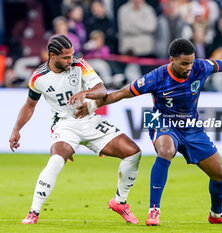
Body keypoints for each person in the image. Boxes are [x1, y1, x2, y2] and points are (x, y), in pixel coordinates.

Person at [74, 38, 222, 225]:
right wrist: (91, 106)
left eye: (191, 62)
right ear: (171, 60)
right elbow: (120, 93)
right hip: (160, 120)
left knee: (220, 174)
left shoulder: (201, 67)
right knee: (165, 150)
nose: (189, 67)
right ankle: (154, 210)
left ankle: (216, 215)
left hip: (191, 126)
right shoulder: (156, 77)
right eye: (184, 63)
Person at [9, 34, 142, 224]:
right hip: (64, 124)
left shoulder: (80, 65)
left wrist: (85, 93)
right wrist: (16, 129)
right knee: (56, 160)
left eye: (72, 55)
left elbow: (102, 90)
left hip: (90, 119)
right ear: (52, 56)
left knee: (133, 153)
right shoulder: (38, 77)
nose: (71, 60)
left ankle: (120, 201)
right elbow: (30, 105)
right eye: (66, 57)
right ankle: (33, 212)